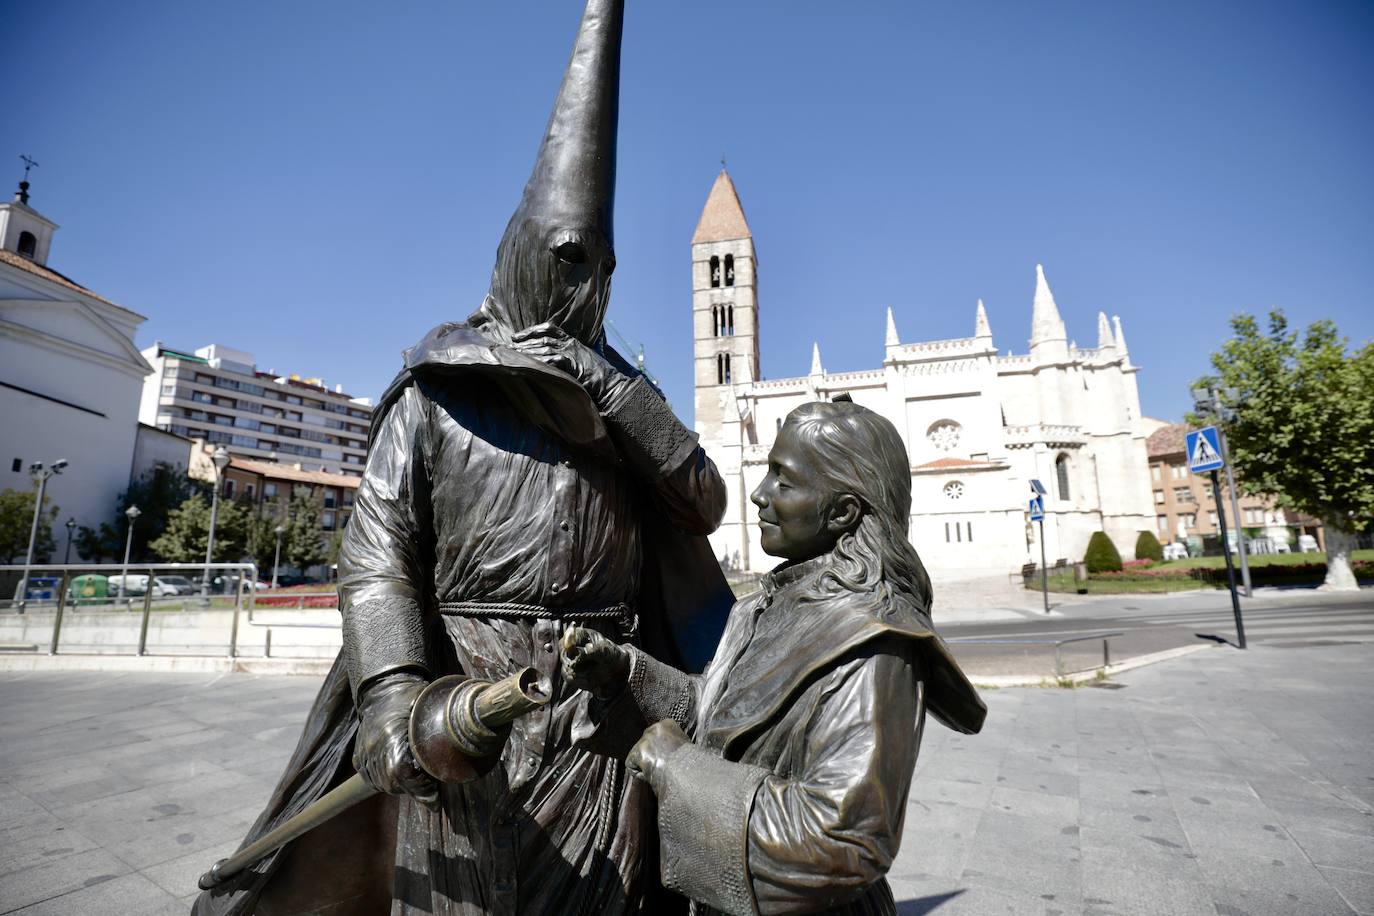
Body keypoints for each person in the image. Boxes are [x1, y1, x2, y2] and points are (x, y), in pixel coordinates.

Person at [194, 1, 733, 913]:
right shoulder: (437, 391)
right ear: (523, 255)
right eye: (567, 258)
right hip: (465, 704)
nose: (586, 283)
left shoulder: (623, 405)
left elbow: (703, 502)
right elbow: (375, 561)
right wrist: (395, 696)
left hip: (601, 712)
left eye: (600, 266)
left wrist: (614, 392)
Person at [563, 401, 987, 916]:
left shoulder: (875, 644)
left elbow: (845, 843)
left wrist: (678, 769)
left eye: (783, 481)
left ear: (843, 512)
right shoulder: (764, 607)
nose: (759, 494)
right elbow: (727, 716)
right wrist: (626, 676)